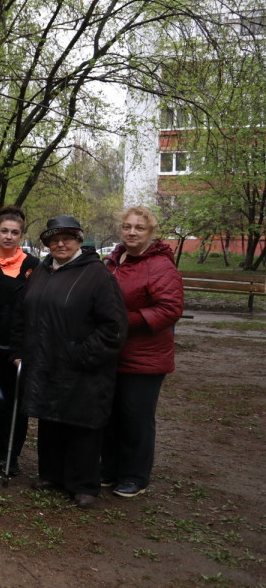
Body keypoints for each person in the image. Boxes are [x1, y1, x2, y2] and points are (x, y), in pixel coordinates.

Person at [14, 216, 127, 509]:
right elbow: (28, 314)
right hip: (46, 361)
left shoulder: (96, 275)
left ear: (79, 241)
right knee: (50, 419)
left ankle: (83, 484)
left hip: (83, 365)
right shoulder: (42, 270)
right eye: (53, 239)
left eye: (68, 238)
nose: (60, 244)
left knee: (82, 423)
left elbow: (113, 326)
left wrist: (81, 354)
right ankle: (51, 474)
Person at [101, 206, 184, 498]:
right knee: (110, 414)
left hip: (145, 356)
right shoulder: (113, 261)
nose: (132, 232)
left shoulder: (160, 266)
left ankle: (135, 476)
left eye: (139, 228)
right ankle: (109, 469)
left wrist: (126, 322)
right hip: (112, 353)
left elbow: (170, 309)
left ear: (151, 232)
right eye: (127, 227)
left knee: (135, 417)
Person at [0, 206, 38, 473]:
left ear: (22, 235)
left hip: (18, 346)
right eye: (4, 231)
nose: (9, 236)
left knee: (16, 403)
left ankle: (11, 454)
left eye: (15, 232)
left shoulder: (34, 266)